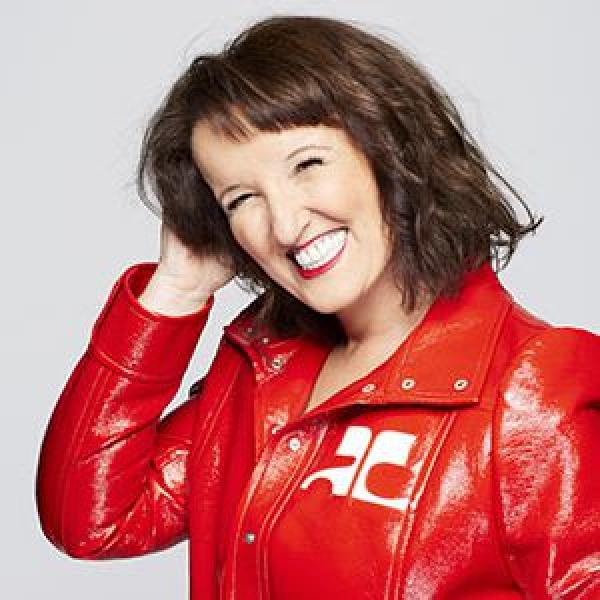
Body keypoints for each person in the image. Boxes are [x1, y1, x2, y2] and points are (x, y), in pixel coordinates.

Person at [35, 14, 600, 600]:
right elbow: (92, 522)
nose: (284, 225)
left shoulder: (530, 387)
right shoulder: (258, 368)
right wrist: (176, 290)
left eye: (307, 165)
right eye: (241, 199)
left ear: (391, 149)